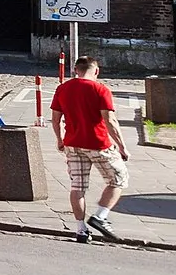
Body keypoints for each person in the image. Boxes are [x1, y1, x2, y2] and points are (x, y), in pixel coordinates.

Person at [52, 55, 130, 243]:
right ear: (96, 70)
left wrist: (59, 140)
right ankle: (100, 216)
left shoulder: (63, 89)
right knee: (119, 179)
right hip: (98, 143)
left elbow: (56, 119)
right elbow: (109, 121)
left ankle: (81, 229)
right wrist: (122, 146)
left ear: (76, 70)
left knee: (77, 187)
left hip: (72, 143)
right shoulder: (100, 89)